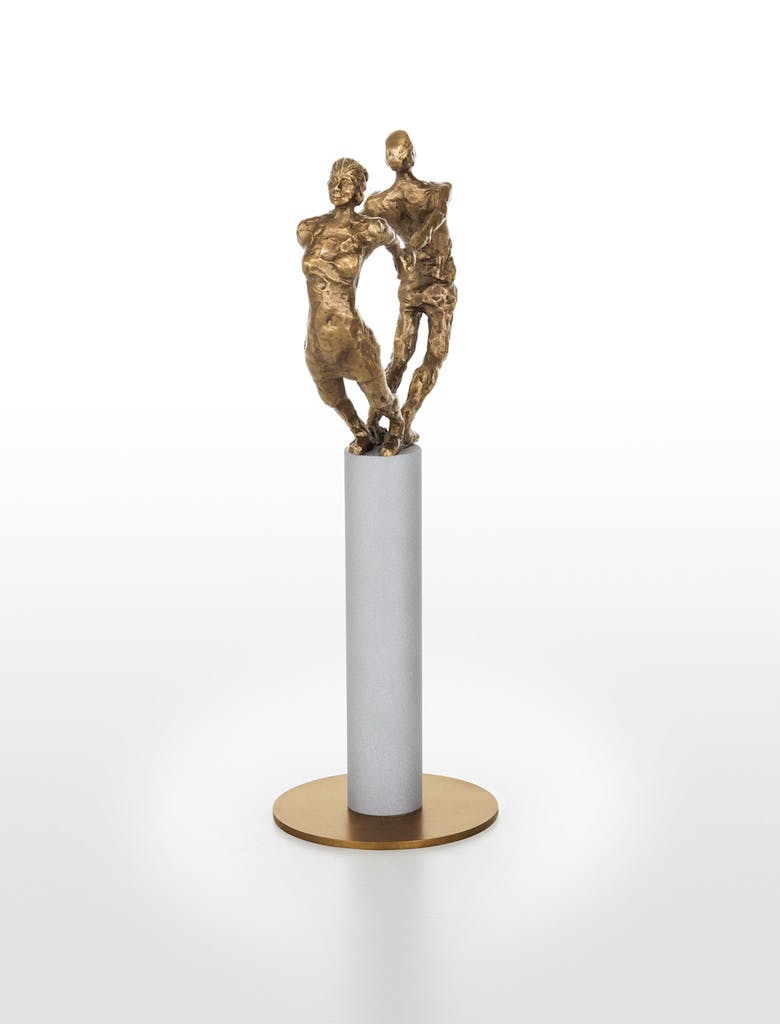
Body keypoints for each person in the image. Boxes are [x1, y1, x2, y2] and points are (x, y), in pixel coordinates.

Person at [297, 157, 414, 456]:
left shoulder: (367, 230)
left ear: (359, 191)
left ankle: (397, 425)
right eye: (332, 180)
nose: (336, 187)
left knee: (380, 398)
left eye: (345, 182)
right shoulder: (309, 229)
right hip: (316, 340)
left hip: (351, 337)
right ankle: (361, 431)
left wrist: (399, 257)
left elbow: (391, 238)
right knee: (331, 397)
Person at [363, 131, 457, 446]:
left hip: (411, 284)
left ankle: (373, 425)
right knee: (434, 356)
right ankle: (403, 421)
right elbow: (435, 218)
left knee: (399, 357)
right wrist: (412, 246)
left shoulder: (379, 203)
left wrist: (406, 249)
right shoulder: (438, 191)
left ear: (388, 159)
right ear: (412, 154)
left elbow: (360, 231)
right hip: (438, 286)